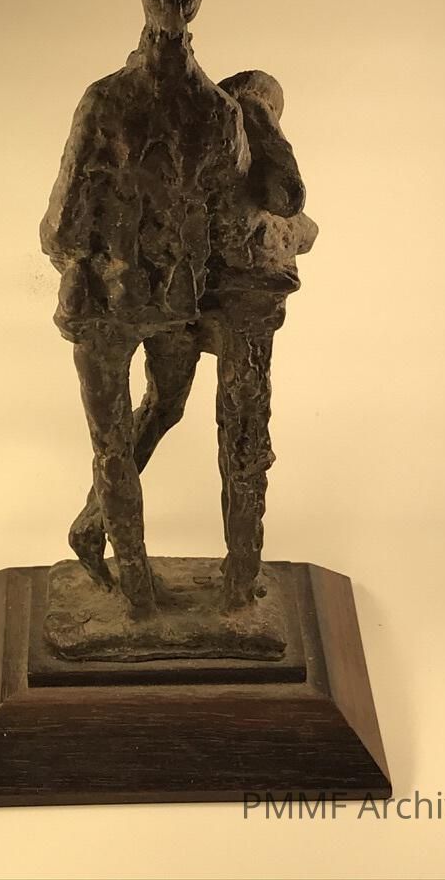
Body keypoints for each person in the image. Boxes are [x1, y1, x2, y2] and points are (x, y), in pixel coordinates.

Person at [40, 0, 249, 615]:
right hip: (130, 296)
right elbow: (224, 214)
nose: (171, 4)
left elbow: (63, 222)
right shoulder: (200, 109)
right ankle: (134, 587)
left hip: (148, 297)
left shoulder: (178, 107)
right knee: (126, 433)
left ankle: (93, 525)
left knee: (155, 414)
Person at [67, 70, 317, 609]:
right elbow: (289, 202)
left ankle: (100, 527)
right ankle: (236, 583)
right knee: (237, 437)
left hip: (199, 305)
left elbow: (289, 219)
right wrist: (262, 115)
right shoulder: (236, 145)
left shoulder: (219, 157)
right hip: (222, 312)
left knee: (174, 412)